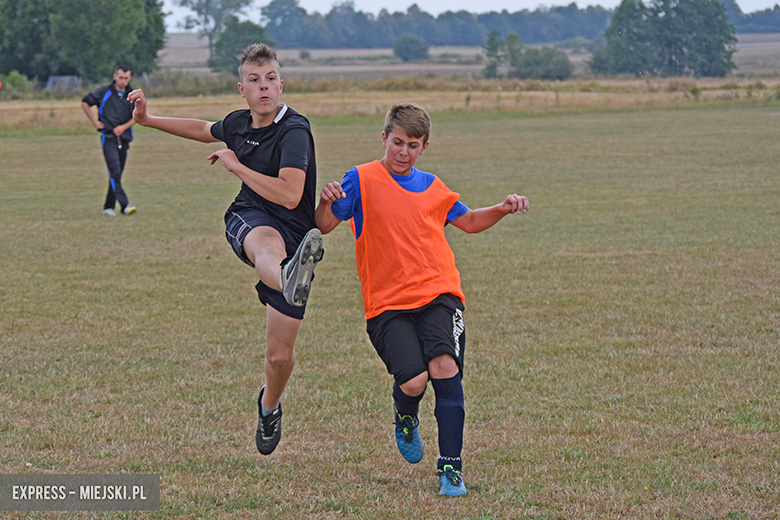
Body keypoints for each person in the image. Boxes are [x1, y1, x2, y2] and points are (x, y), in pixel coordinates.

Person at [315, 103, 529, 497]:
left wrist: (500, 208)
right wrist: (327, 200)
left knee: (445, 368)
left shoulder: (433, 186)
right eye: (397, 142)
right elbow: (325, 225)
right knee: (413, 381)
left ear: (424, 147)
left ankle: (451, 468)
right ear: (384, 138)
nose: (403, 152)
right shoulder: (361, 178)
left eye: (413, 145)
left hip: (439, 293)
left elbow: (468, 221)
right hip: (386, 304)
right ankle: (405, 415)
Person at [128, 43, 324, 456]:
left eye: (271, 78)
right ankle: (289, 276)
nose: (264, 87)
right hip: (249, 219)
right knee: (267, 243)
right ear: (242, 89)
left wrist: (237, 166)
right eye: (255, 80)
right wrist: (146, 120)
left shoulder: (294, 131)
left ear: (281, 84)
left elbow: (291, 196)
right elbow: (202, 129)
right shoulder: (237, 124)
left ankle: (269, 406)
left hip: (297, 232)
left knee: (279, 358)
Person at [81, 65, 137, 216]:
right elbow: (85, 102)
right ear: (115, 77)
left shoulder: (132, 95)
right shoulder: (104, 92)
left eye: (126, 78)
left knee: (116, 175)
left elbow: (137, 117)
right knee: (115, 172)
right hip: (108, 138)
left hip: (124, 138)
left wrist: (123, 127)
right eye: (121, 78)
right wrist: (94, 121)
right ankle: (125, 206)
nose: (123, 81)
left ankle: (108, 207)